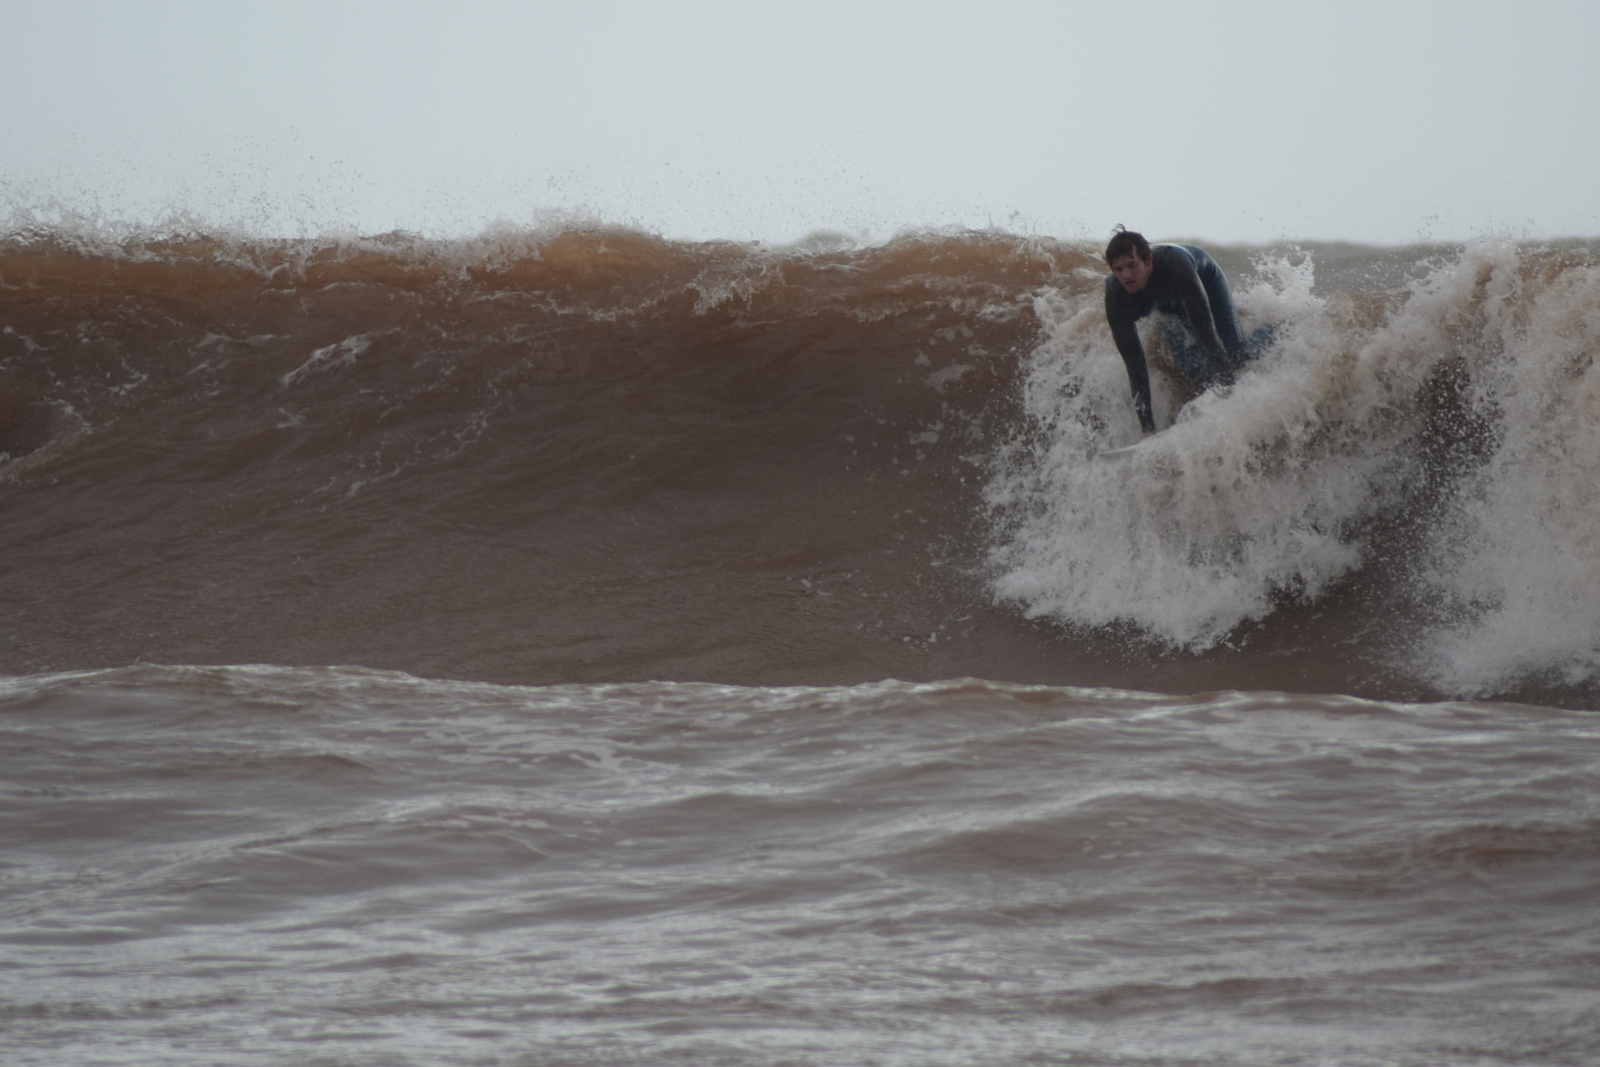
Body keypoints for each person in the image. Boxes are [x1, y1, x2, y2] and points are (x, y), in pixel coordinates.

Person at [1102, 226, 1249, 437]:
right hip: (1164, 298)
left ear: (1148, 260)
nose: (1125, 275)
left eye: (1131, 266)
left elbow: (1206, 331)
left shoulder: (1174, 266)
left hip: (1205, 280)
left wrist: (1231, 393)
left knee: (1231, 350)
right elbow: (1135, 364)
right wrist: (1147, 429)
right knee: (1191, 365)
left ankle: (1238, 392)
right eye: (1118, 269)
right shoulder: (1117, 293)